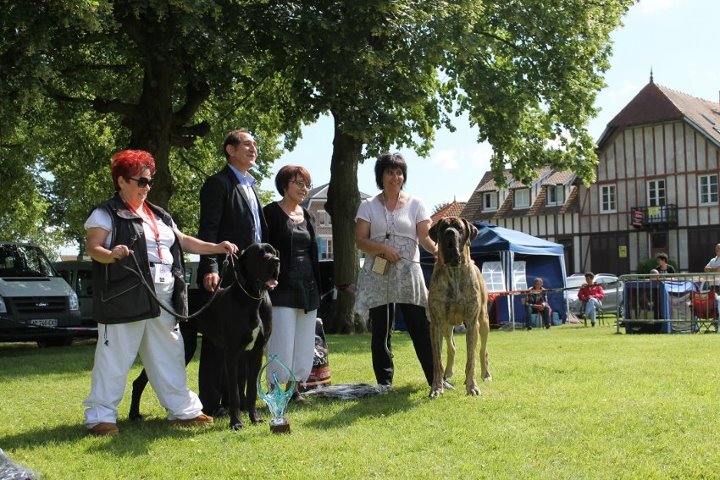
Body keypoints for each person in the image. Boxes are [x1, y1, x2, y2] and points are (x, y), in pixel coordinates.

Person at [83, 149, 238, 436]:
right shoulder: (105, 213)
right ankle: (100, 418)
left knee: (170, 353)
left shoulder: (159, 214)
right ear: (121, 181)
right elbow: (93, 248)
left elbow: (182, 241)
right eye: (140, 181)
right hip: (124, 296)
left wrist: (217, 246)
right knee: (115, 357)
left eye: (149, 181)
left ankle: (183, 411)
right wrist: (111, 253)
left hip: (165, 296)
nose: (146, 187)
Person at [196, 128, 268, 417]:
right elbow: (208, 229)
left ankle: (234, 402)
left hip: (251, 282)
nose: (253, 149)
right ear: (230, 149)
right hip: (226, 276)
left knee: (245, 346)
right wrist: (210, 266)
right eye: (247, 144)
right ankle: (210, 405)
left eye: (255, 146)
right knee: (218, 343)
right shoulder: (218, 184)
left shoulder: (251, 187)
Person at [354, 152, 438, 388]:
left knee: (420, 326)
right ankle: (384, 382)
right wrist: (382, 248)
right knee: (381, 330)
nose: (395, 177)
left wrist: (437, 250)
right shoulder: (367, 205)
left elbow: (425, 237)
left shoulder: (416, 204)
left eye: (399, 172)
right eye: (390, 172)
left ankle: (435, 378)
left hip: (408, 273)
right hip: (378, 271)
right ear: (380, 176)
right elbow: (360, 240)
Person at [263, 166, 321, 404]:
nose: (303, 189)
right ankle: (277, 391)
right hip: (281, 287)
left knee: (304, 342)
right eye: (298, 183)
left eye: (306, 184)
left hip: (307, 287)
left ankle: (295, 390)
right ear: (284, 185)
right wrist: (267, 277)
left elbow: (312, 252)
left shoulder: (308, 216)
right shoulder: (270, 213)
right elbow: (264, 250)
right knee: (281, 341)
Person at [703, 243, 720, 318]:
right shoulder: (712, 260)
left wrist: (711, 269)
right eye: (716, 248)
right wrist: (714, 269)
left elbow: (718, 270)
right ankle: (716, 321)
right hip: (712, 285)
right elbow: (705, 269)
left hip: (719, 285)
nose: (717, 250)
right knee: (713, 304)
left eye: (718, 248)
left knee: (718, 304)